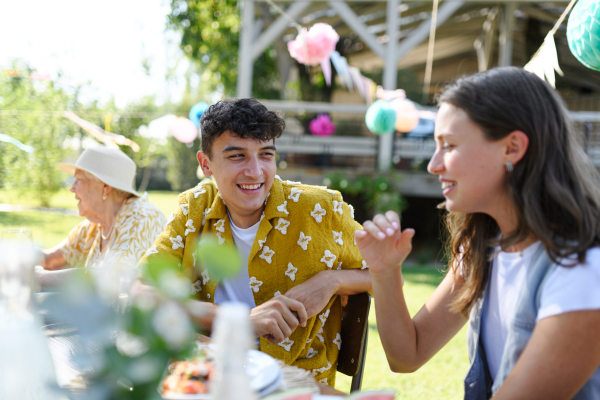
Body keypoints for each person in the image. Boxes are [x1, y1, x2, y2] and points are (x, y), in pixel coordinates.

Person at [356, 67, 600, 400]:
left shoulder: (583, 271)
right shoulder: (482, 248)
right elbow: (406, 355)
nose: (433, 164)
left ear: (512, 148)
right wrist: (385, 272)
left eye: (449, 146)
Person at [140, 98, 371, 385]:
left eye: (265, 155)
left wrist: (332, 280)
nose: (255, 171)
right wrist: (240, 319)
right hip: (209, 372)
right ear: (206, 164)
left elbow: (385, 274)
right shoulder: (194, 208)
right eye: (237, 156)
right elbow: (142, 290)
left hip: (294, 383)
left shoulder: (320, 209)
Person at [38, 146, 166, 287]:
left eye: (78, 180)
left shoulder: (141, 218)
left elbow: (111, 277)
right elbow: (50, 261)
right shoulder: (93, 226)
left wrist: (41, 278)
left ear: (105, 187)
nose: (72, 188)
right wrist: (19, 256)